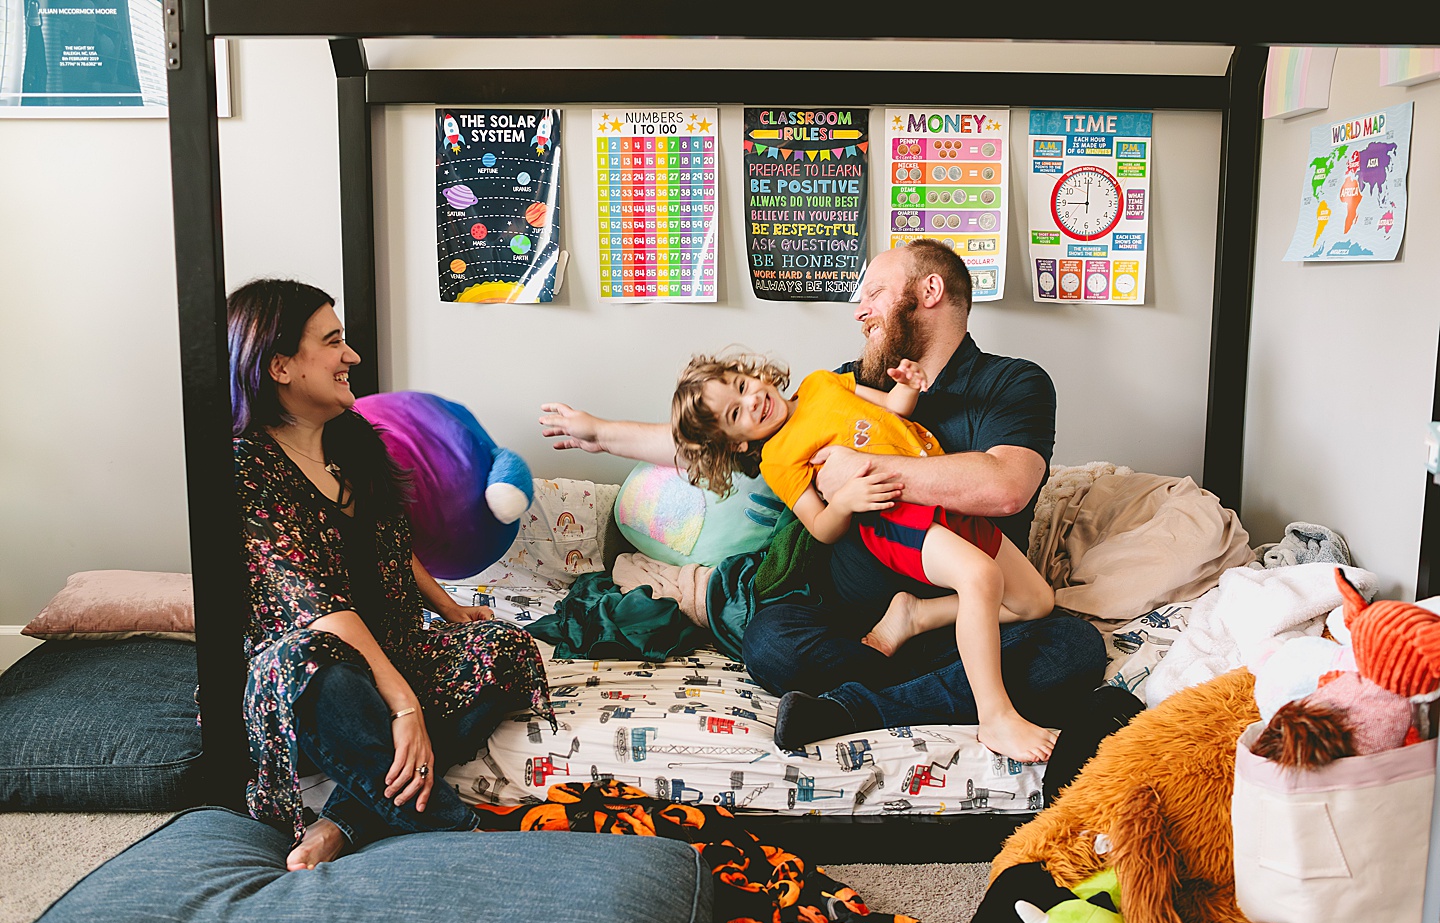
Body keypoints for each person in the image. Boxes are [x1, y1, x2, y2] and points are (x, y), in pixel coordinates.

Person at [539, 239, 1103, 749]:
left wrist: (864, 468)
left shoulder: (1012, 382)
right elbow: (721, 440)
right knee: (771, 642)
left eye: (876, 293)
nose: (861, 311)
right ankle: (962, 691)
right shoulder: (844, 384)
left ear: (929, 292)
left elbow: (1005, 488)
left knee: (1072, 649)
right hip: (855, 623)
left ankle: (858, 708)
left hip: (969, 607)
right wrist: (600, 433)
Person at [229, 278, 553, 870]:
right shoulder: (246, 467)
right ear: (280, 365)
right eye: (333, 342)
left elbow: (392, 543)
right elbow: (319, 607)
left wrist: (451, 611)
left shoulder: (352, 438)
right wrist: (405, 707)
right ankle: (456, 828)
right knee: (321, 672)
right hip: (318, 667)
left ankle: (344, 823)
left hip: (394, 642)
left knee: (503, 645)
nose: (351, 356)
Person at [670, 350, 1057, 761]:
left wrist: (907, 384)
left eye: (743, 388)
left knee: (1036, 602)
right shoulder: (777, 457)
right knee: (981, 577)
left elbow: (893, 407)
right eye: (735, 415)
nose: (751, 402)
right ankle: (994, 716)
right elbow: (820, 526)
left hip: (941, 487)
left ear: (751, 374)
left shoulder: (822, 380)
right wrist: (845, 501)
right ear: (739, 442)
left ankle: (919, 615)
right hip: (891, 513)